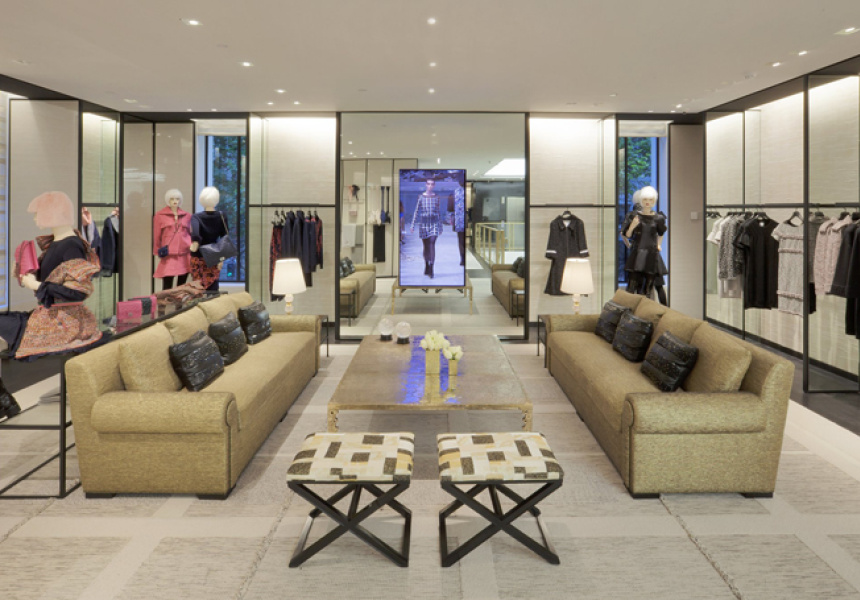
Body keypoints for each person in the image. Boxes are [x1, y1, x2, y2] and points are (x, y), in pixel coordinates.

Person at [15, 191, 103, 359]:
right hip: (51, 314)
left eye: (38, 214)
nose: (35, 218)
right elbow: (49, 280)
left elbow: (77, 292)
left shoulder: (71, 245)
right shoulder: (56, 243)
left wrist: (36, 285)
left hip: (65, 322)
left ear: (51, 213)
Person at [624, 186, 668, 304]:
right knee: (631, 286)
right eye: (645, 199)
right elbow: (627, 235)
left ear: (654, 201)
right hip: (638, 253)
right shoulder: (634, 216)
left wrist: (659, 245)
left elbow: (661, 233)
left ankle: (648, 311)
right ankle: (628, 310)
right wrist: (632, 226)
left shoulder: (658, 218)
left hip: (651, 254)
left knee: (648, 289)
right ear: (641, 200)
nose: (647, 202)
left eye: (650, 200)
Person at [190, 186, 228, 292]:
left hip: (198, 255)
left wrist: (195, 244)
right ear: (216, 200)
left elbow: (196, 235)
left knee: (198, 288)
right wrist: (222, 259)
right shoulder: (222, 216)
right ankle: (213, 302)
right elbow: (224, 238)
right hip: (214, 255)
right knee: (213, 287)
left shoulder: (196, 217)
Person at [153, 189, 192, 290]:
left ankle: (180, 301)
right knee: (167, 284)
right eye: (172, 199)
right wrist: (157, 250)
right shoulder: (160, 216)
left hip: (184, 253)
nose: (175, 201)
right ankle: (165, 301)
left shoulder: (187, 216)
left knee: (182, 285)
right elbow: (157, 235)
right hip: (169, 254)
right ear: (168, 200)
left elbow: (190, 233)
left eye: (177, 199)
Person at [410, 179, 444, 278]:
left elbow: (438, 212)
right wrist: (412, 225)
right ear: (426, 185)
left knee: (432, 243)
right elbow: (416, 211)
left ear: (434, 185)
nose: (430, 186)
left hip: (434, 223)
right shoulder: (421, 197)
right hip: (423, 224)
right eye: (428, 184)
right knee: (426, 246)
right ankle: (426, 265)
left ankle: (431, 268)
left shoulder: (436, 197)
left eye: (432, 184)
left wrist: (440, 226)